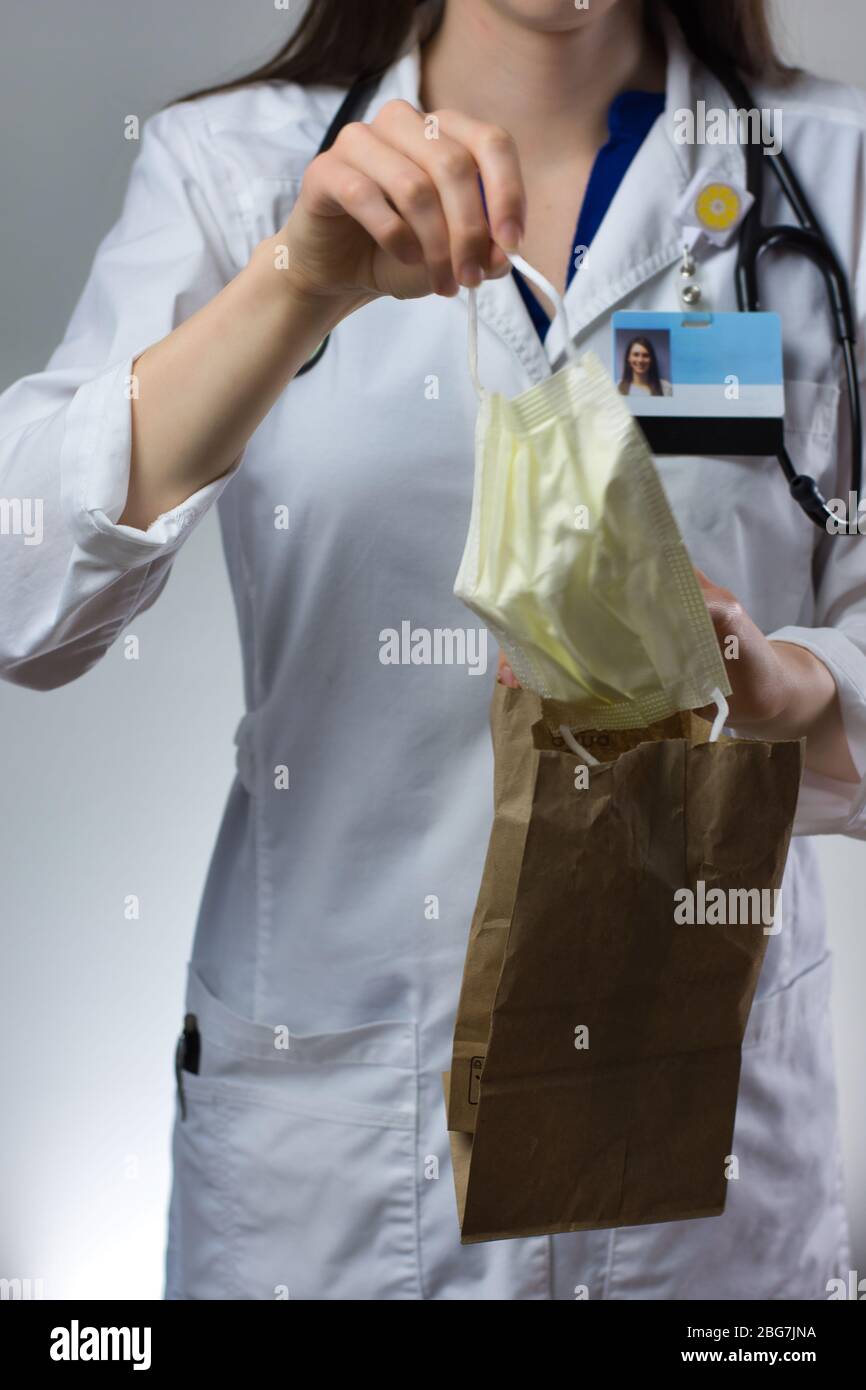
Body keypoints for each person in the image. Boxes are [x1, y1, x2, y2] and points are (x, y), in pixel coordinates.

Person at [1, 0, 864, 1301]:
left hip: (712, 1180)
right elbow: (25, 595)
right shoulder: (233, 166)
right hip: (335, 1168)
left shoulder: (831, 163)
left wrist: (798, 685)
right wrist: (296, 283)